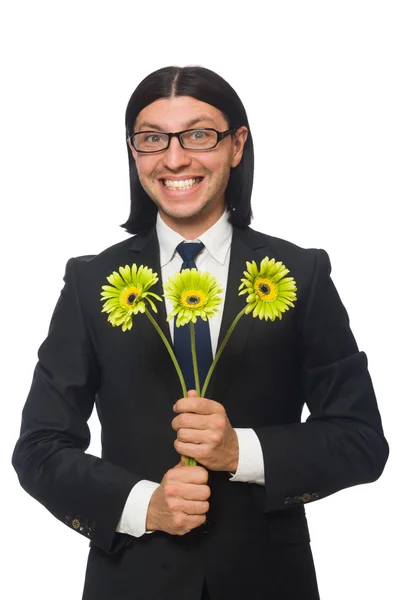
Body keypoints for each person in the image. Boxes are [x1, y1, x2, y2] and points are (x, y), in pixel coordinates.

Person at [12, 65, 389, 600]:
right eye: (152, 138)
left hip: (266, 582)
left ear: (237, 145)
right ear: (133, 151)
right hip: (132, 582)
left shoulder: (299, 274)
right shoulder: (91, 281)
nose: (174, 158)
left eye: (198, 135)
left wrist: (240, 451)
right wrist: (146, 505)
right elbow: (40, 448)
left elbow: (361, 441)